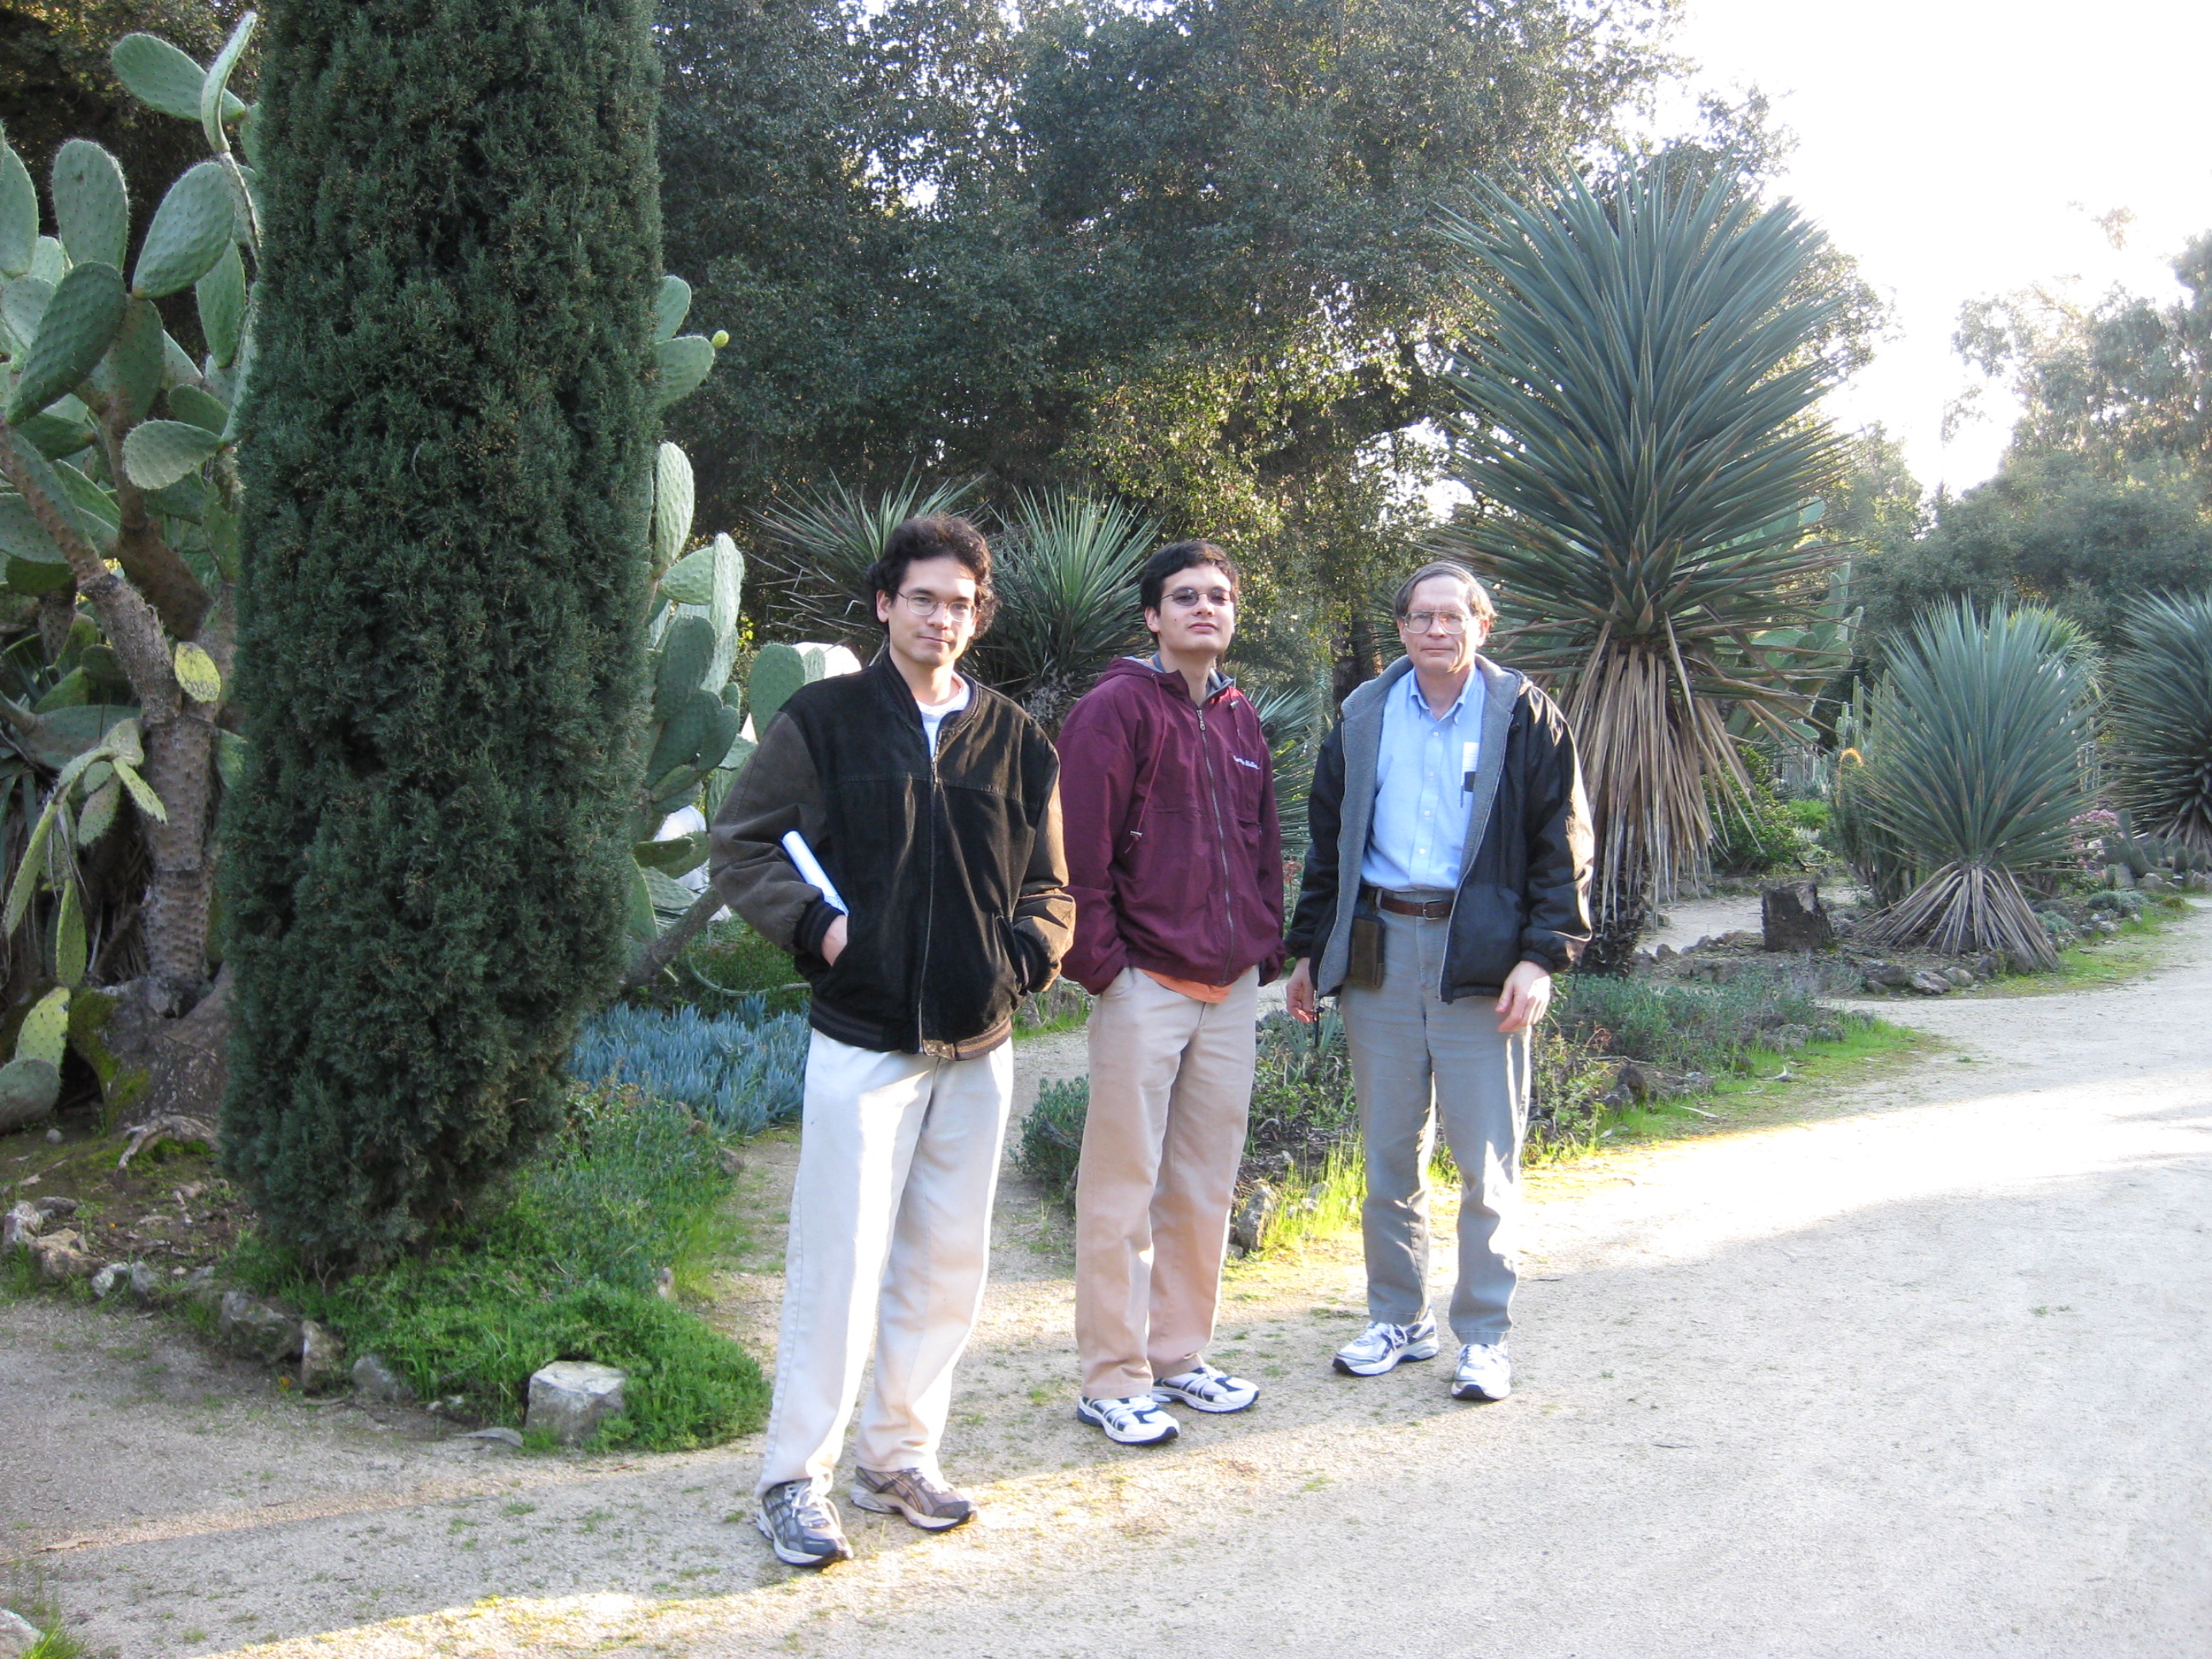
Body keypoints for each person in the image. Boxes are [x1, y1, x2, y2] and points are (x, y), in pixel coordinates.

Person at [710, 514, 1074, 1567]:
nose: (940, 619)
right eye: (923, 598)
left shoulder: (1016, 738)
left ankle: (898, 1457)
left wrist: (1021, 960)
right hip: (863, 1035)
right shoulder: (823, 721)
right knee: (838, 1263)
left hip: (978, 1040)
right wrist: (824, 933)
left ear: (978, 616)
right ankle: (793, 1479)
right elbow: (742, 843)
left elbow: (1051, 886)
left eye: (960, 603)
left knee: (946, 1267)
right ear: (884, 604)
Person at [1284, 560, 1592, 1403]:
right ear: (1402, 628)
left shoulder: (1523, 715)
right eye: (1421, 616)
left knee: (1486, 1164)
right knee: (1389, 1157)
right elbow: (1330, 843)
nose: (1436, 630)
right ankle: (1397, 1319)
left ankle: (1484, 1337)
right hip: (1381, 951)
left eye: (1453, 616)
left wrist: (1541, 956)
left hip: (1481, 959)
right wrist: (1309, 951)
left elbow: (1561, 843)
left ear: (1482, 626)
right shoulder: (1364, 715)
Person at [1055, 541, 1284, 1446]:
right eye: (1185, 597)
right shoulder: (1112, 710)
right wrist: (1106, 969)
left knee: (1202, 1184)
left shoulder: (1240, 716)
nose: (1204, 608)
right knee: (1122, 1188)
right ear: (1152, 616)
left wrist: (1263, 946)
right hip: (1144, 983)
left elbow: (1263, 844)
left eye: (1218, 596)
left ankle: (1180, 1357)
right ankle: (1113, 1378)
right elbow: (1077, 852)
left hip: (1230, 990)